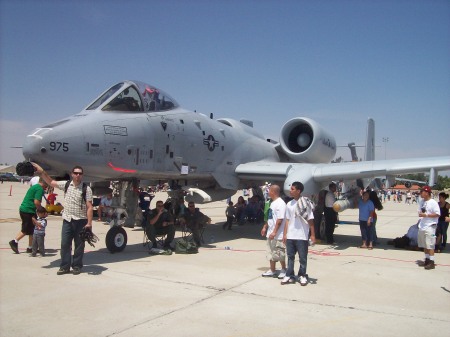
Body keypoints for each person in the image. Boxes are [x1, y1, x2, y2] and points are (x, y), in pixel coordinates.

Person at [32, 163, 93, 275]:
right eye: (75, 173)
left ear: (82, 175)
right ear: (72, 174)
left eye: (80, 173)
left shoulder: (86, 189)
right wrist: (41, 171)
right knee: (65, 244)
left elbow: (89, 207)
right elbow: (51, 182)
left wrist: (89, 223)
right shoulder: (66, 184)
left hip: (81, 221)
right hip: (67, 220)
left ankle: (77, 266)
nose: (78, 175)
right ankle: (65, 266)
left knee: (79, 245)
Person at [281, 181, 315, 286]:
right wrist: (285, 234)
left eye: (292, 189)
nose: (290, 191)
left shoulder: (305, 203)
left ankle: (302, 275)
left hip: (302, 235)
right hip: (291, 235)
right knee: (290, 256)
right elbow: (287, 220)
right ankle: (289, 275)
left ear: (298, 191)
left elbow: (310, 219)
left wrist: (313, 235)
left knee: (302, 257)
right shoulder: (289, 204)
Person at [9, 178, 47, 254]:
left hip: (26, 209)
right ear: (44, 183)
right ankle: (14, 241)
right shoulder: (39, 189)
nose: (47, 186)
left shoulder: (35, 186)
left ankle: (31, 247)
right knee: (26, 229)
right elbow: (36, 202)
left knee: (32, 229)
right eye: (47, 184)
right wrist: (42, 211)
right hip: (28, 210)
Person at [260, 184, 287, 279]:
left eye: (270, 191)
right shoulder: (272, 203)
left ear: (274, 192)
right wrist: (265, 227)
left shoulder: (281, 203)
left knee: (279, 253)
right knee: (270, 253)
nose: (268, 192)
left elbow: (280, 220)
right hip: (270, 233)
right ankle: (272, 270)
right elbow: (270, 217)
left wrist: (275, 232)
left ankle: (284, 269)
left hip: (278, 235)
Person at [417, 186, 440, 270]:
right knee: (425, 245)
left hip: (430, 226)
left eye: (422, 192)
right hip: (422, 226)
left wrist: (426, 215)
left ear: (427, 193)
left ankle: (432, 262)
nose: (421, 193)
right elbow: (420, 211)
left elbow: (437, 214)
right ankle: (427, 259)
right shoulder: (422, 202)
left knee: (430, 245)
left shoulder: (433, 202)